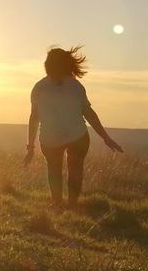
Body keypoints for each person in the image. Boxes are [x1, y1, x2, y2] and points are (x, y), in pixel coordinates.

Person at [24, 46, 123, 208]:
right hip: (64, 137)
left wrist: (106, 138)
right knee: (63, 171)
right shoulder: (68, 86)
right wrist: (30, 146)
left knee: (59, 172)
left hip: (69, 138)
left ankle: (66, 205)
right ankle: (65, 205)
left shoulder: (49, 87)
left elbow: (88, 113)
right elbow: (88, 113)